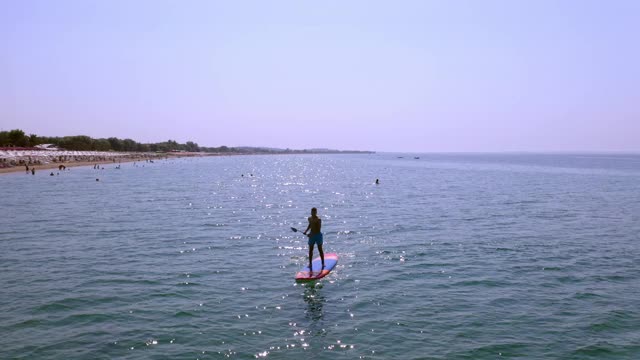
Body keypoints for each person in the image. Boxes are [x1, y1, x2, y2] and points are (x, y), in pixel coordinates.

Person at [303, 207, 324, 273]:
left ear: (316, 212)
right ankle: (310, 263)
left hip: (318, 235)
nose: (313, 213)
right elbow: (310, 225)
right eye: (312, 212)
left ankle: (323, 263)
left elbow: (318, 229)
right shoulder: (309, 219)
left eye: (315, 212)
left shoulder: (318, 219)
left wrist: (310, 234)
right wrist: (306, 231)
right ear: (311, 212)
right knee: (310, 250)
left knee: (320, 249)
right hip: (311, 235)